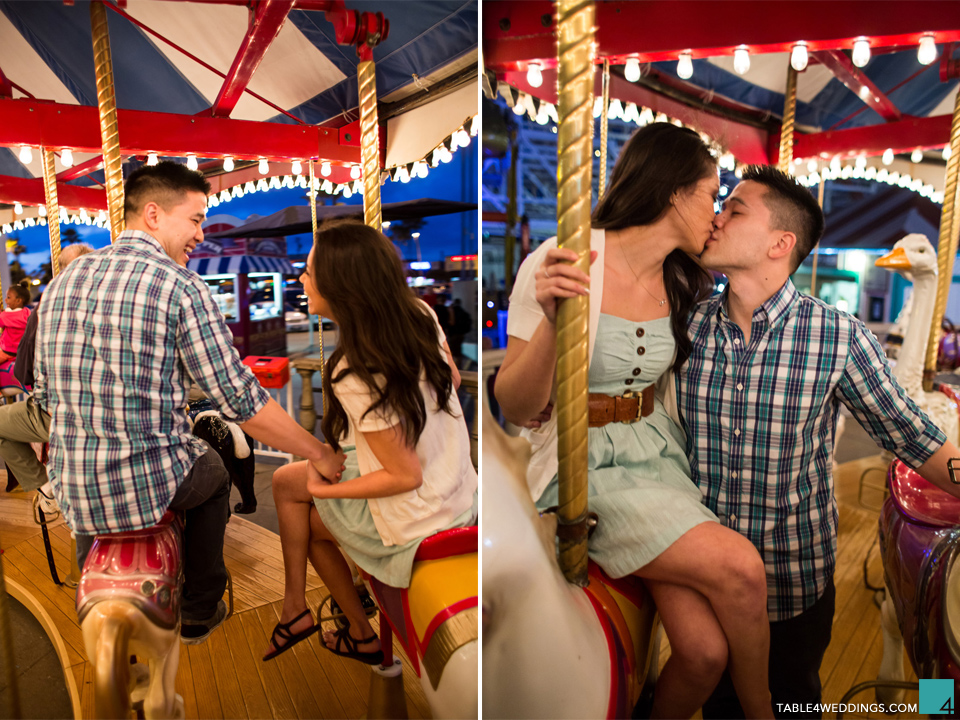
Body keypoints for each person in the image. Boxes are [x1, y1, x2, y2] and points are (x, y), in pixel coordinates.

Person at [494, 123, 773, 719]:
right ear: (674, 191)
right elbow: (515, 404)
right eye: (711, 195)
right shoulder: (565, 257)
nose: (716, 214)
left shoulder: (680, 279)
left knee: (701, 654)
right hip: (582, 460)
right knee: (742, 568)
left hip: (657, 460)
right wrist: (553, 321)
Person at [679, 165, 960, 719]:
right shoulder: (687, 325)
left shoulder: (837, 335)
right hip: (705, 576)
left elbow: (915, 436)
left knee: (791, 702)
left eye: (735, 208)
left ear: (780, 243)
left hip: (789, 578)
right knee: (717, 703)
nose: (718, 216)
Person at [34, 161, 344, 644]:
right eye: (196, 218)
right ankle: (201, 606)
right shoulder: (180, 285)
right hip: (152, 480)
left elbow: (47, 392)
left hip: (75, 485)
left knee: (90, 497)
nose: (201, 233)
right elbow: (240, 398)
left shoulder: (61, 285)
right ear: (153, 215)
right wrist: (318, 451)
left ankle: (87, 590)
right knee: (215, 475)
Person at [261, 220, 477, 663]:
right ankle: (295, 607)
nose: (301, 279)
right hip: (456, 485)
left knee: (310, 524)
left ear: (341, 285)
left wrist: (327, 490)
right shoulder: (419, 313)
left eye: (308, 271)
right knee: (285, 482)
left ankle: (357, 632)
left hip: (413, 513)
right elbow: (452, 378)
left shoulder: (353, 369)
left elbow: (403, 474)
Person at [0, 243, 94, 497]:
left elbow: (24, 373)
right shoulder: (109, 304)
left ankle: (44, 486)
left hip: (63, 412)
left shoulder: (46, 308)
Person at [0, 279, 32, 390]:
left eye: (8, 297)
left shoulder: (5, 316)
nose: (5, 299)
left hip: (7, 352)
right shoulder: (27, 313)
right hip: (23, 352)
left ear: (18, 301)